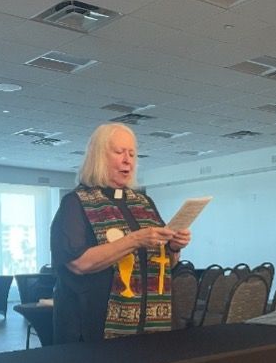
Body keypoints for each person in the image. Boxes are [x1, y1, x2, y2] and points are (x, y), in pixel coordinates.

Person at [50, 123, 191, 344]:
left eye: (132, 154)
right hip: (93, 328)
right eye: (119, 152)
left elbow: (165, 265)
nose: (128, 160)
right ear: (98, 156)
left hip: (151, 327)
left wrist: (174, 247)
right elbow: (78, 263)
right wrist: (134, 240)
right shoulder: (75, 203)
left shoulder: (143, 203)